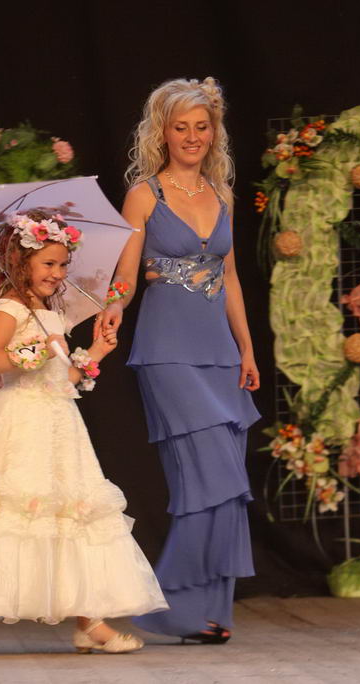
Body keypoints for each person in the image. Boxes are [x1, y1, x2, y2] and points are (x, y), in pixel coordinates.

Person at [0, 210, 167, 655]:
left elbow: (63, 378)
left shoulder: (48, 312)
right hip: (20, 422)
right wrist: (28, 355)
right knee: (2, 512)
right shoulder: (9, 307)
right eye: (48, 264)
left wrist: (95, 352)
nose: (57, 273)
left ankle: (89, 619)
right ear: (22, 263)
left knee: (72, 515)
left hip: (59, 422)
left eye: (62, 264)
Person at [97, 77, 261, 643]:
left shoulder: (222, 195)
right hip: (167, 355)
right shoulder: (145, 195)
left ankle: (208, 614)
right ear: (162, 134)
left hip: (220, 356)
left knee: (228, 480)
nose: (192, 136)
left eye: (201, 126)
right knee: (206, 477)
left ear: (214, 131)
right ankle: (172, 607)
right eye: (180, 127)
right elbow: (125, 274)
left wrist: (247, 348)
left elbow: (231, 279)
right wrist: (113, 308)